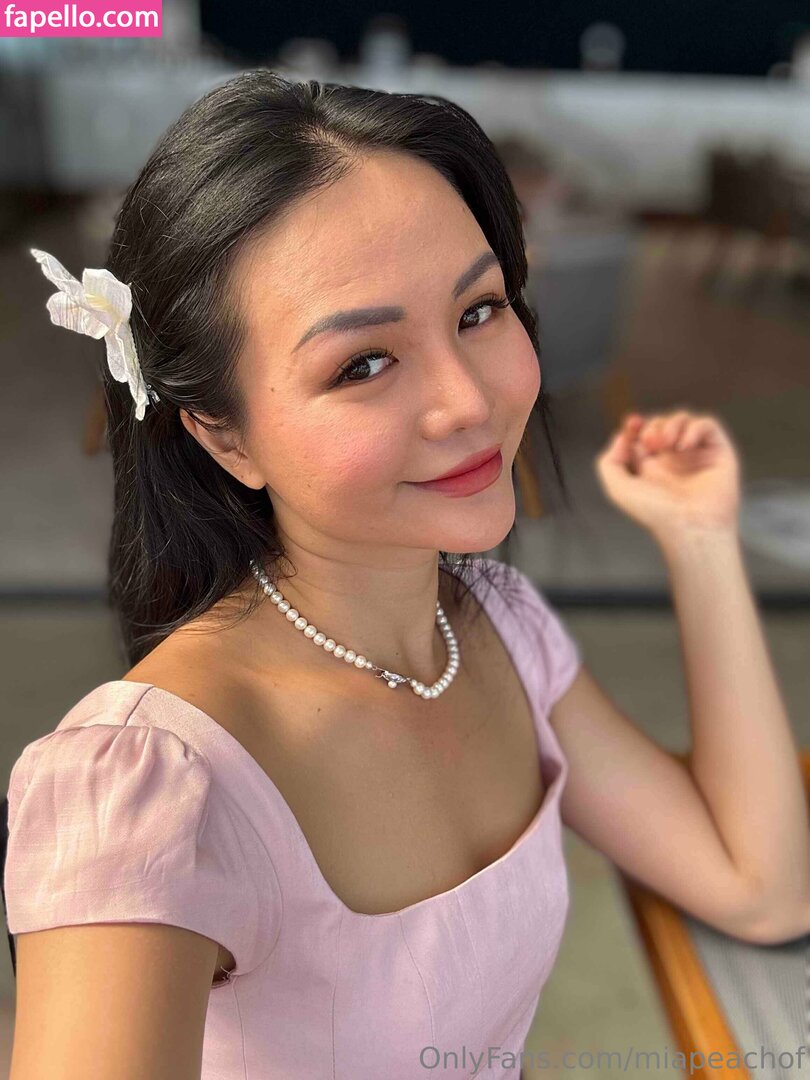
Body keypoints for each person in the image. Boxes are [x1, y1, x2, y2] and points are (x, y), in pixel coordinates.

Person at [6, 70, 809, 1080]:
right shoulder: (151, 789)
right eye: (364, 364)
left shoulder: (496, 630)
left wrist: (699, 539)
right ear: (221, 432)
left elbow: (760, 887)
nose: (468, 402)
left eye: (479, 310)